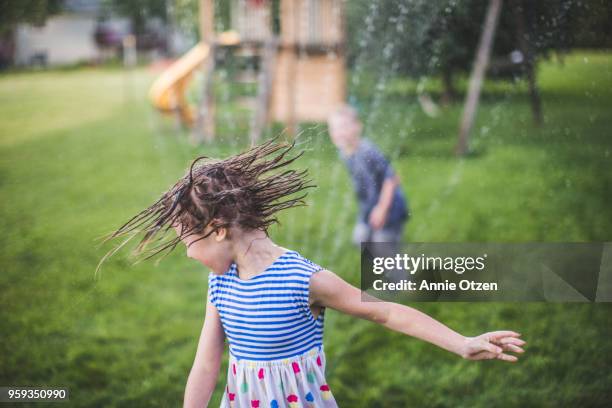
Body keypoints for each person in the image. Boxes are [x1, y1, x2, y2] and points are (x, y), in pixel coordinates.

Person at [97, 139, 525, 408]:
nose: (188, 255)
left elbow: (387, 313)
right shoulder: (220, 281)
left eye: (189, 243)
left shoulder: (303, 281)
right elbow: (207, 362)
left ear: (219, 230)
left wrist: (463, 343)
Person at [327, 105, 410, 247]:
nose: (339, 132)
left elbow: (392, 178)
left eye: (344, 126)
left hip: (390, 208)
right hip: (369, 205)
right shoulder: (343, 151)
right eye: (334, 128)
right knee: (360, 239)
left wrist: (382, 209)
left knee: (383, 245)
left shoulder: (367, 152)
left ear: (358, 127)